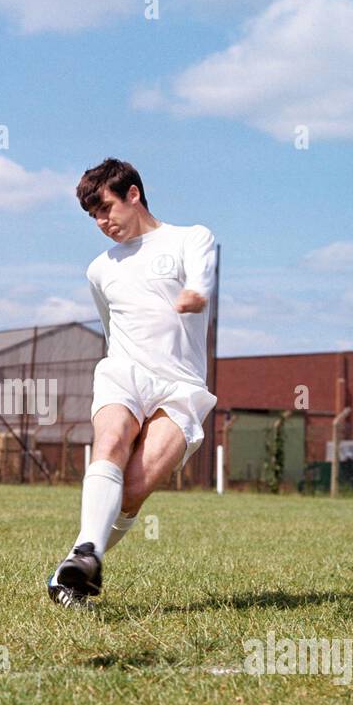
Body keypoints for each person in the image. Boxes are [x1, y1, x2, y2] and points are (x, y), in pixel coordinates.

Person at [48, 158, 217, 605]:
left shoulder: (190, 237)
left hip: (180, 386)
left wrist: (195, 294)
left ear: (134, 194)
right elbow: (109, 327)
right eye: (93, 217)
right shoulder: (99, 269)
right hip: (123, 372)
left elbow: (202, 279)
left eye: (106, 209)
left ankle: (75, 566)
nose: (102, 223)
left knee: (136, 488)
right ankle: (85, 555)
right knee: (111, 442)